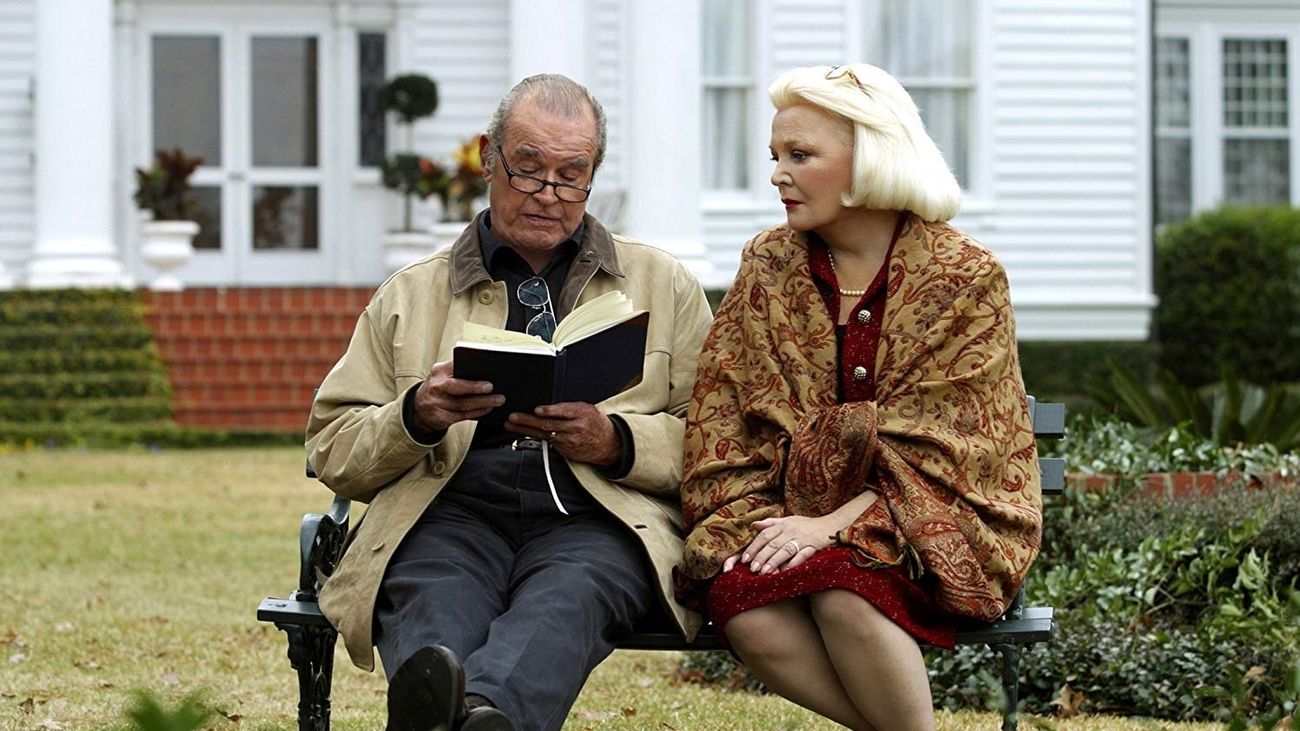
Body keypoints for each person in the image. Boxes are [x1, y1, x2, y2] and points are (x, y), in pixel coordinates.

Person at [306, 73, 713, 731]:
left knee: (572, 594)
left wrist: (618, 441)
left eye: (570, 176)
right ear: (489, 161)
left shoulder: (663, 285)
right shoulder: (412, 293)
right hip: (450, 509)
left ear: (592, 177)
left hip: (598, 516)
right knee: (430, 600)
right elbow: (331, 444)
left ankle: (463, 715)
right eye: (528, 171)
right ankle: (482, 717)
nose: (548, 195)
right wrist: (418, 414)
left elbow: (716, 438)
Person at [676, 63, 1043, 731]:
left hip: (941, 519)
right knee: (742, 602)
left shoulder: (965, 276)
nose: (777, 174)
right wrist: (778, 517)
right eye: (775, 156)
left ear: (869, 157)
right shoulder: (767, 263)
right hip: (788, 510)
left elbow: (956, 450)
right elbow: (726, 412)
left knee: (844, 590)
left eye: (801, 154)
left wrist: (827, 526)